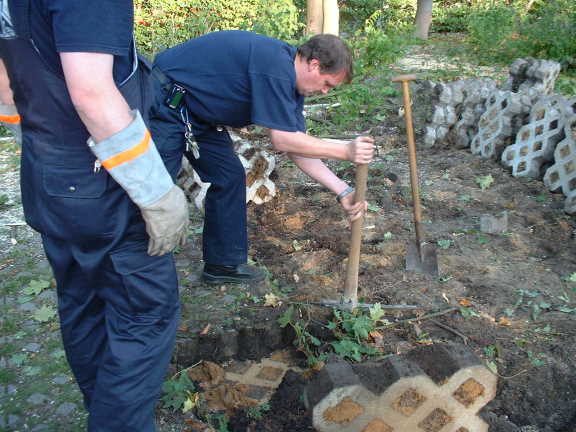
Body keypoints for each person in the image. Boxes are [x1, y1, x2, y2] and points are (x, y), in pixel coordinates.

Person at [0, 1, 189, 431]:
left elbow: (6, 85)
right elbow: (91, 92)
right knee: (146, 312)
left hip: (49, 174)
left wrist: (41, 148)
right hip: (103, 184)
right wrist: (156, 193)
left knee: (83, 303)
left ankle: (103, 411)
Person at [150, 30, 375, 284]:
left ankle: (221, 266)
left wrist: (343, 191)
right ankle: (140, 272)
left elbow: (296, 147)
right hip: (167, 101)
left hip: (198, 114)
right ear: (314, 65)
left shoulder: (291, 85)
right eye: (327, 84)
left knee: (229, 176)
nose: (325, 92)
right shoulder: (275, 69)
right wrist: (345, 151)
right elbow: (282, 139)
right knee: (154, 191)